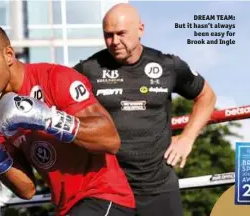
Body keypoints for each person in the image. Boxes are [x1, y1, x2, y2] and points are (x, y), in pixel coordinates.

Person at [0, 24, 136, 216]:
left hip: (103, 197)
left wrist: (47, 118)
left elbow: (111, 140)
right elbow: (26, 190)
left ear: (9, 55)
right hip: (66, 208)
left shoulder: (55, 78)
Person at [73, 3, 216, 216]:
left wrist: (187, 137)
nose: (114, 42)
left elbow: (207, 96)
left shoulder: (168, 65)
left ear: (140, 29)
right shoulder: (89, 68)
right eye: (108, 35)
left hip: (159, 186)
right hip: (108, 188)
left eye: (121, 33)